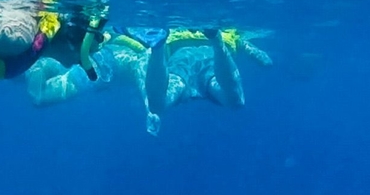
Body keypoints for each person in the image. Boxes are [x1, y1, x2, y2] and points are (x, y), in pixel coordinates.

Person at [26, 26, 273, 135]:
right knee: (235, 101)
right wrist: (241, 44)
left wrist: (149, 110)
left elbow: (142, 69)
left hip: (177, 63)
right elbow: (265, 60)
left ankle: (159, 45)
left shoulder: (137, 52)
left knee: (159, 104)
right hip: (204, 63)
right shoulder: (236, 35)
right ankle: (216, 42)